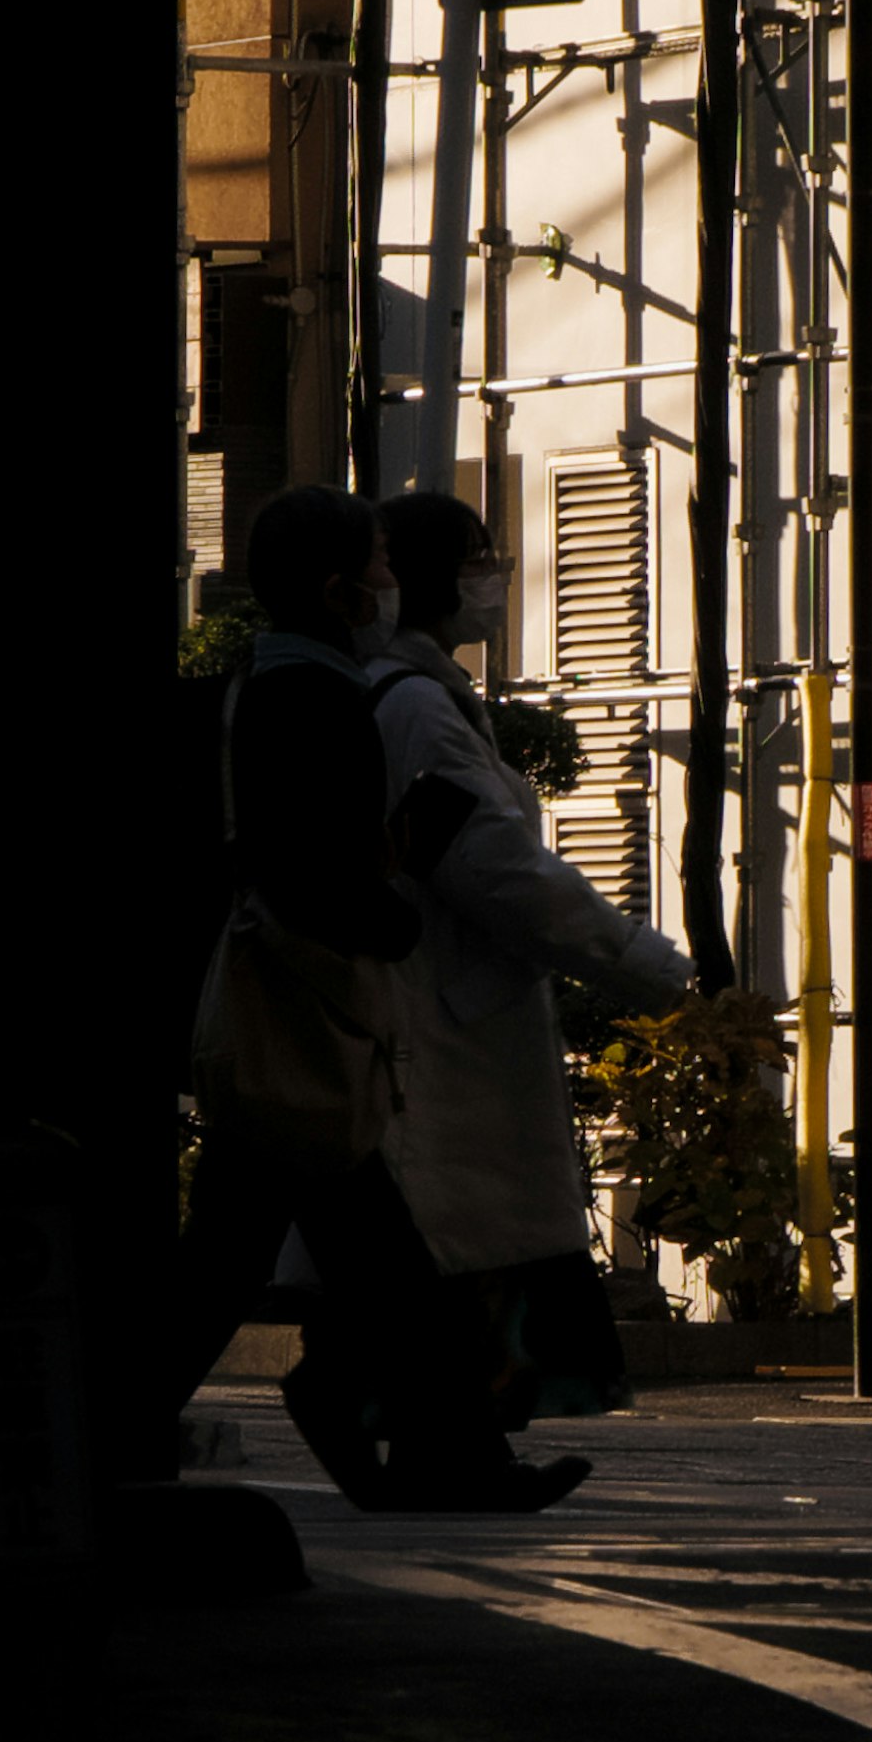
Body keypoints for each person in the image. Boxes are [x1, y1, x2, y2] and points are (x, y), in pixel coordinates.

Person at [163, 484, 579, 1515]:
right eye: (382, 564)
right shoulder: (319, 703)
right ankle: (444, 1454)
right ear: (342, 587)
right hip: (310, 1021)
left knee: (356, 1259)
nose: (394, 585)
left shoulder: (252, 686)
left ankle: (443, 1454)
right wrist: (394, 906)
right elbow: (315, 875)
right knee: (284, 1261)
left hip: (288, 1022)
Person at [341, 485, 691, 1471]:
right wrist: (632, 958)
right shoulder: (414, 709)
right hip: (445, 1033)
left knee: (457, 1250)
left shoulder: (431, 700)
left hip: (457, 1020)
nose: (490, 577)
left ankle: (455, 1450)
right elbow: (493, 865)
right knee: (464, 1247)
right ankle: (450, 1450)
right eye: (476, 557)